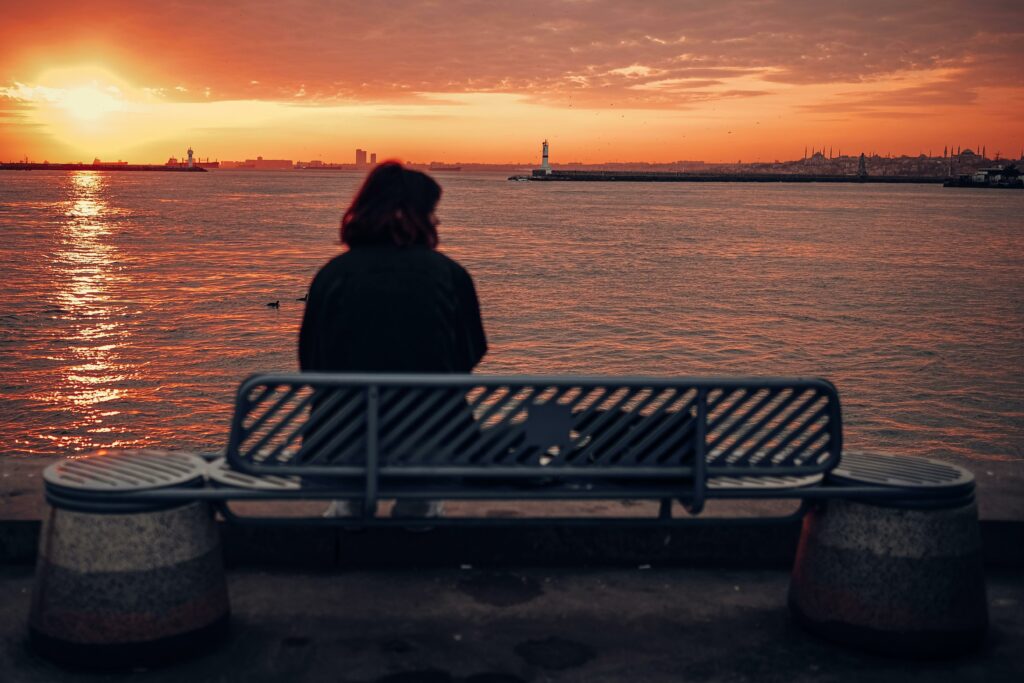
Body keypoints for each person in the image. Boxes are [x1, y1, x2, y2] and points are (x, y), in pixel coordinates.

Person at [298, 161, 487, 518]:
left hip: (338, 448)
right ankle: (417, 512)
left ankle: (350, 511)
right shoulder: (450, 275)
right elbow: (470, 353)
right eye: (432, 212)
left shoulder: (333, 275)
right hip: (434, 448)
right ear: (413, 215)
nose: (437, 221)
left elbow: (312, 363)